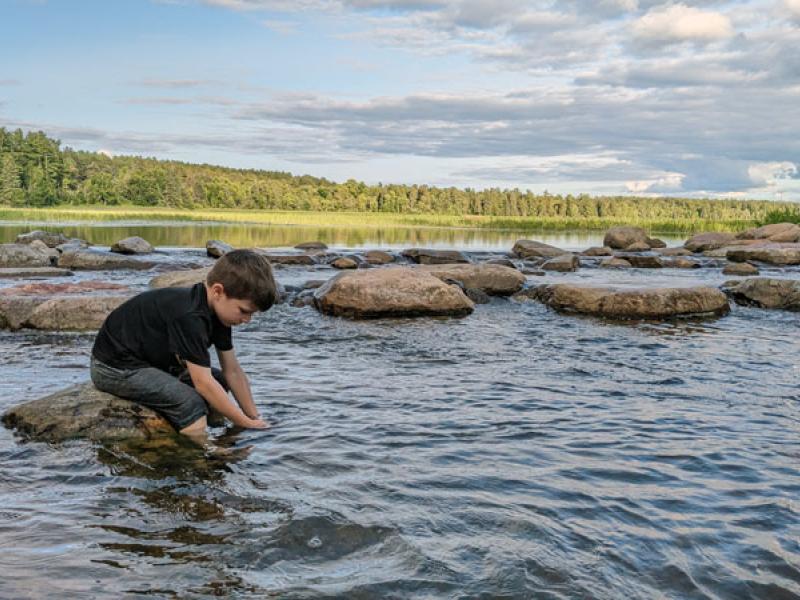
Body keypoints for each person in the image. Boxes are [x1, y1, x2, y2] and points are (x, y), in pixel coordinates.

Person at [90, 249, 276, 440]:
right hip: (115, 368)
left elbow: (233, 372)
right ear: (218, 291)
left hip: (154, 363)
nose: (247, 320)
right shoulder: (190, 316)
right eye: (244, 311)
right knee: (191, 403)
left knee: (220, 380)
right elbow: (202, 383)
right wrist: (244, 423)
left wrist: (254, 418)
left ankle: (219, 432)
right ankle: (198, 455)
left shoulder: (219, 314)